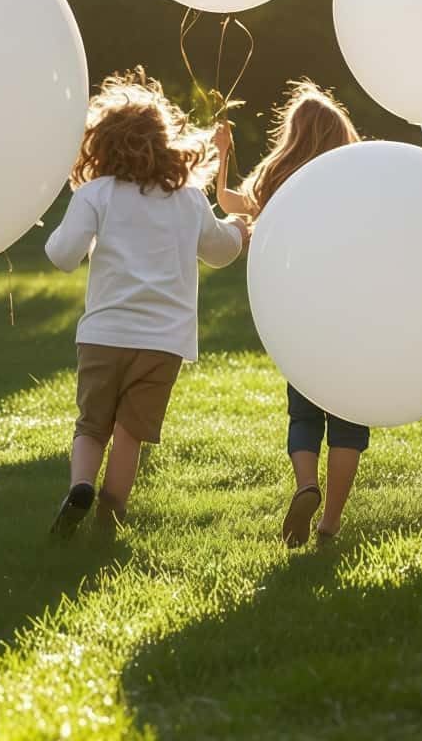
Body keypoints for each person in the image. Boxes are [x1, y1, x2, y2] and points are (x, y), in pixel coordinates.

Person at [44, 69, 248, 539]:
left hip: (105, 334)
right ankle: (110, 517)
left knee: (92, 425)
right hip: (163, 342)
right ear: (164, 142)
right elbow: (219, 252)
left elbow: (62, 256)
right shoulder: (189, 199)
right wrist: (238, 231)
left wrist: (62, 228)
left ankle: (80, 486)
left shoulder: (95, 195)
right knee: (130, 432)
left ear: (101, 144)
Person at [215, 80, 364, 547]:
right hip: (349, 317)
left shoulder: (277, 181)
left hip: (297, 318)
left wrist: (223, 155)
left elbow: (230, 203)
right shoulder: (355, 182)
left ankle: (305, 485)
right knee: (348, 421)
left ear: (292, 134)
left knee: (303, 415)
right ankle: (330, 522)